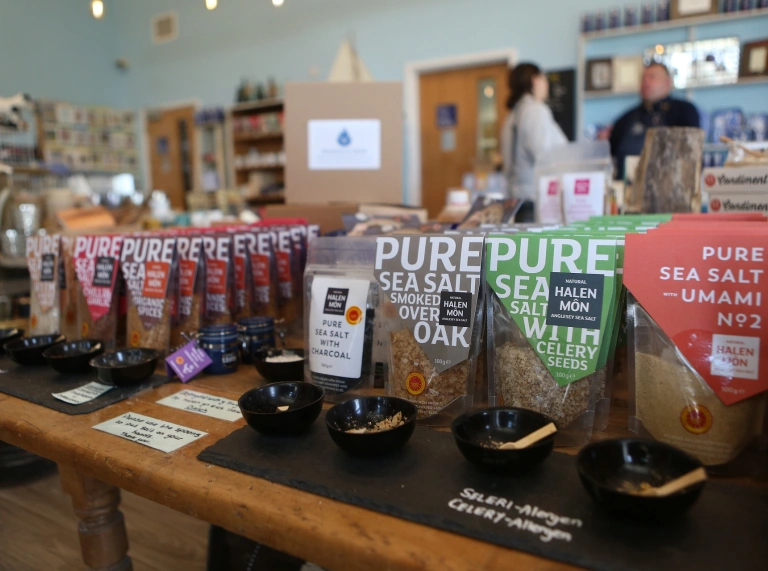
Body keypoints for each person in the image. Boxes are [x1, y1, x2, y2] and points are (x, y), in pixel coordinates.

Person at [608, 62, 700, 179]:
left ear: (667, 82)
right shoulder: (625, 119)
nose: (645, 81)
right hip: (628, 189)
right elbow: (611, 157)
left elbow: (691, 152)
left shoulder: (684, 111)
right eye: (643, 78)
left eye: (652, 77)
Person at [501, 63, 567, 222]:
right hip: (535, 200)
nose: (547, 83)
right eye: (544, 77)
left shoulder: (512, 115)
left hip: (517, 198)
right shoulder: (535, 111)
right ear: (534, 80)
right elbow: (546, 157)